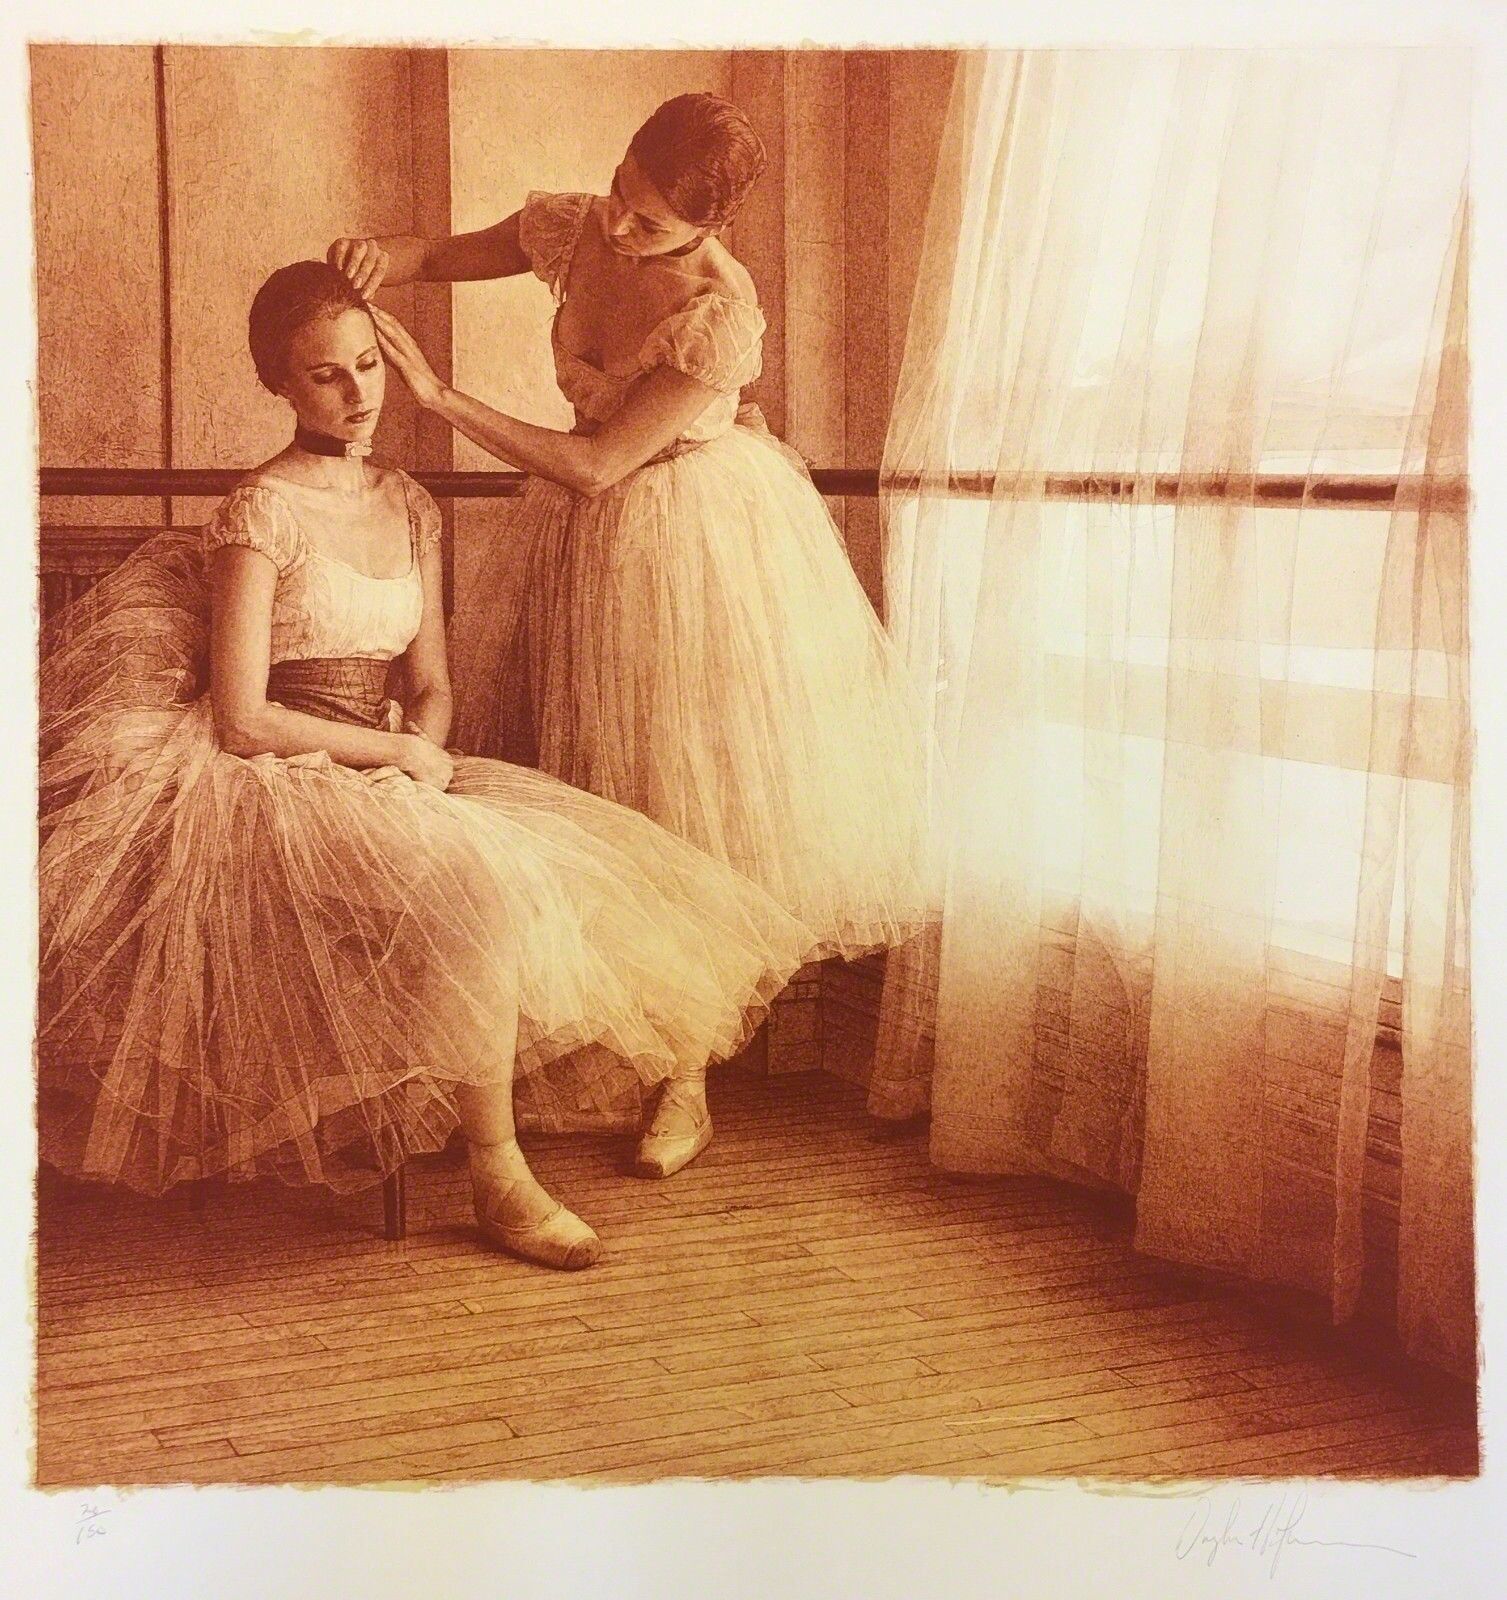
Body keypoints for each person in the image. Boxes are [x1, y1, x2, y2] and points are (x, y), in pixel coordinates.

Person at [37, 260, 816, 1269]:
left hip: (394, 767)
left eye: (368, 364)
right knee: (475, 888)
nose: (358, 392)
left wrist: (423, 760)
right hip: (274, 779)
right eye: (325, 374)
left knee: (566, 872)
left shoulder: (408, 504)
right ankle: (498, 1174)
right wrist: (395, 753)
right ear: (278, 382)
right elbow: (243, 717)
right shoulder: (257, 512)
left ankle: (592, 1125)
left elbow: (434, 680)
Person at [327, 92, 935, 1179]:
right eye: (620, 191)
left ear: (709, 226)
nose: (617, 226)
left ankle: (684, 1079)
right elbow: (437, 253)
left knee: (672, 806)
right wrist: (377, 258)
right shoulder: (575, 225)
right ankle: (578, 1050)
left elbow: (600, 464)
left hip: (688, 540)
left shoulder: (718, 311)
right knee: (577, 793)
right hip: (582, 540)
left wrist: (437, 396)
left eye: (649, 223)